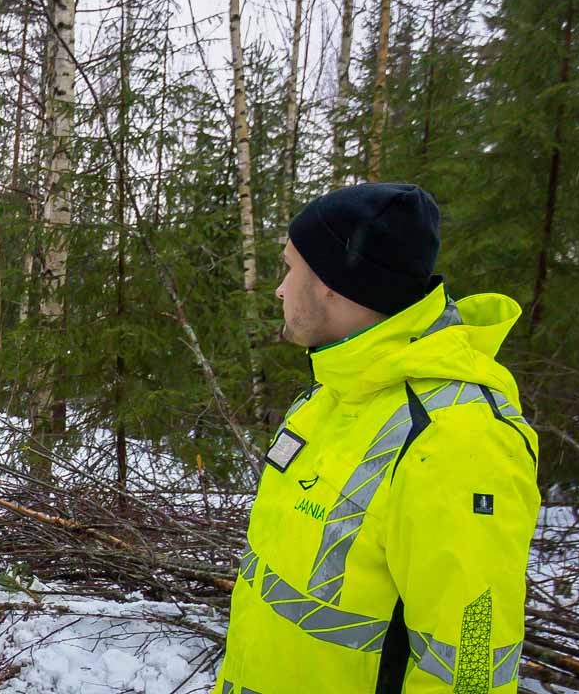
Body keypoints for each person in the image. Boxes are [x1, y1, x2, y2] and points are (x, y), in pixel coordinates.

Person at [218, 183, 541, 694]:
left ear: (331, 281)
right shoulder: (330, 398)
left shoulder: (456, 440)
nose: (280, 288)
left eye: (290, 268)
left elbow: (471, 669)